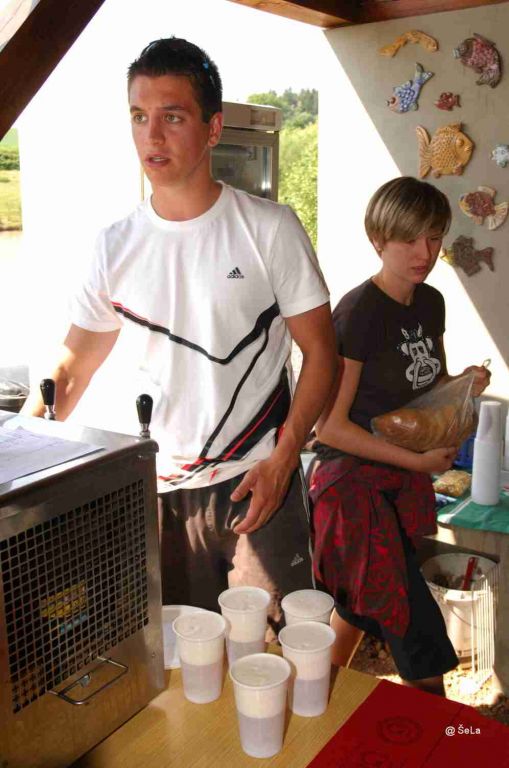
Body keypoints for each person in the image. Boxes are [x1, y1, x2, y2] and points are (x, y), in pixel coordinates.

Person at [24, 37, 337, 633]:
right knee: (180, 656)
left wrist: (285, 455)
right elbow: (72, 368)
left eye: (172, 117)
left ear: (213, 128)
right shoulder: (114, 245)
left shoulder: (269, 229)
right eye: (139, 117)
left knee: (275, 653)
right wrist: (16, 447)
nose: (152, 136)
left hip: (257, 479)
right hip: (158, 490)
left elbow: (323, 352)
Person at [310, 176, 491, 696]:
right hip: (352, 486)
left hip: (401, 480)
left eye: (434, 237)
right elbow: (330, 426)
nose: (424, 253)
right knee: (415, 627)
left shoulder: (430, 302)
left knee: (360, 602)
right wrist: (418, 463)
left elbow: (428, 389)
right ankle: (440, 731)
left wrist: (463, 385)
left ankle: (316, 693)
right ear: (378, 239)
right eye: (409, 239)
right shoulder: (358, 313)